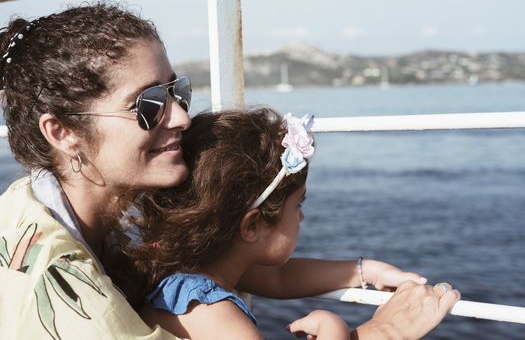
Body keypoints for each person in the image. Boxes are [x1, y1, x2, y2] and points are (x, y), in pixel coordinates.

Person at [0, 1, 459, 340]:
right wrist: (379, 334)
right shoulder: (71, 299)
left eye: (177, 91)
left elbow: (257, 275)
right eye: (149, 105)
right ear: (61, 132)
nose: (180, 116)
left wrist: (358, 271)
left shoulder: (99, 221)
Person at [124, 108, 460, 340]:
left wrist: (364, 271)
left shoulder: (189, 269)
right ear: (252, 226)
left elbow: (281, 278)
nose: (301, 216)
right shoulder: (216, 317)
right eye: (297, 204)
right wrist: (368, 332)